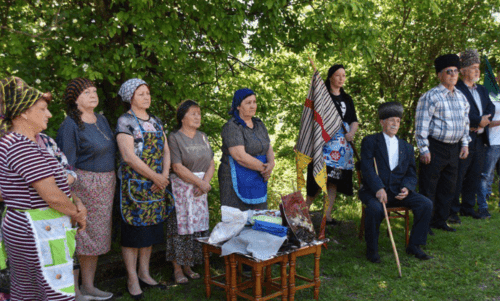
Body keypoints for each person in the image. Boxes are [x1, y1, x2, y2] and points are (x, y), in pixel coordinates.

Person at [0, 76, 86, 300]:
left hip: (32, 229)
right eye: (43, 109)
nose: (49, 114)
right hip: (38, 232)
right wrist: (78, 214)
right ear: (23, 113)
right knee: (54, 292)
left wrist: (75, 203)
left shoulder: (17, 142)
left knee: (28, 292)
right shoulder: (20, 146)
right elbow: (52, 197)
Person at [57, 78, 116, 300]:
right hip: (84, 187)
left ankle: (89, 286)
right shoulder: (70, 125)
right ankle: (75, 290)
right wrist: (72, 196)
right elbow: (65, 166)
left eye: (94, 91)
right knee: (80, 236)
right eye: (86, 92)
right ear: (75, 99)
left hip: (105, 186)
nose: (93, 95)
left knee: (97, 237)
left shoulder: (101, 119)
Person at [116, 78, 170, 299]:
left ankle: (145, 273)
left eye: (148, 93)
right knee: (133, 233)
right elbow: (128, 156)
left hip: (156, 187)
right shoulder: (124, 122)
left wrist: (164, 177)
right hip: (134, 187)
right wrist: (155, 177)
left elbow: (166, 150)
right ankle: (131, 277)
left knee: (148, 232)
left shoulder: (156, 121)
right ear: (130, 97)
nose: (146, 97)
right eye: (141, 94)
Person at [360, 102, 433, 263]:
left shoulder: (406, 147)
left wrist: (407, 187)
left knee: (425, 204)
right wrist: (378, 188)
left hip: (398, 192)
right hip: (374, 191)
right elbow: (366, 168)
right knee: (374, 209)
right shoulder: (370, 141)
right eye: (391, 120)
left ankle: (414, 245)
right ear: (382, 122)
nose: (395, 124)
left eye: (398, 121)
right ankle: (372, 250)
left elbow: (411, 173)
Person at [415, 54, 470, 233]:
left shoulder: (461, 97)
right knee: (429, 187)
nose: (453, 75)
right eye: (449, 72)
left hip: (454, 148)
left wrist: (465, 144)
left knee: (449, 187)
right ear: (440, 75)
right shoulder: (430, 96)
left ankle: (440, 220)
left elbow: (465, 123)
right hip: (435, 147)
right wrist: (424, 149)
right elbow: (421, 125)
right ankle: (425, 223)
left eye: (455, 71)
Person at [166, 100, 214, 284]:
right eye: (193, 113)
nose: (197, 116)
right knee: (179, 229)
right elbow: (177, 167)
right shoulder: (174, 137)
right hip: (182, 189)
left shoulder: (203, 136)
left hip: (200, 189)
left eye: (199, 113)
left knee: (196, 228)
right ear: (182, 117)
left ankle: (189, 265)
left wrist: (205, 184)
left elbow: (211, 163)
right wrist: (199, 184)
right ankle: (177, 269)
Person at [305, 64, 359, 224]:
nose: (341, 78)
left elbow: (354, 120)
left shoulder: (347, 98)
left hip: (342, 148)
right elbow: (311, 119)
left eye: (344, 75)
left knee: (333, 182)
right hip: (323, 145)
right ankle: (301, 214)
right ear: (330, 77)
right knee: (316, 180)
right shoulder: (322, 97)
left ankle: (326, 216)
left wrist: (351, 133)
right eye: (338, 75)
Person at [450, 49, 495, 221]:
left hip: (480, 139)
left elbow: (490, 107)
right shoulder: (457, 89)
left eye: (478, 67)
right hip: (464, 139)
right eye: (473, 67)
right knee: (459, 175)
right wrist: (478, 121)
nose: (477, 70)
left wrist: (484, 120)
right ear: (463, 70)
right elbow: (459, 112)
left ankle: (467, 207)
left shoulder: (482, 90)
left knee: (475, 174)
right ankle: (452, 210)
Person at [218, 88, 275, 211]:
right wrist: (264, 169)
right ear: (238, 106)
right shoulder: (232, 127)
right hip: (235, 180)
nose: (253, 106)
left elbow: (268, 147)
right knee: (238, 221)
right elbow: (240, 156)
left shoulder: (259, 124)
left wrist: (271, 164)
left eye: (254, 102)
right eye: (248, 103)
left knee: (259, 218)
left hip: (259, 178)